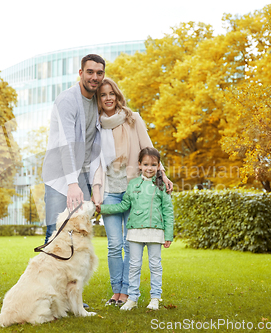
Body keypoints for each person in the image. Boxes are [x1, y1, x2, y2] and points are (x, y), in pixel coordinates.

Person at [95, 78, 173, 306]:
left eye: (111, 93)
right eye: (103, 95)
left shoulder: (133, 119)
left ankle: (128, 292)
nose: (108, 98)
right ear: (98, 100)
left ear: (118, 96)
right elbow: (95, 161)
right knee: (114, 245)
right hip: (110, 189)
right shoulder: (97, 125)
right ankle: (116, 291)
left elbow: (149, 149)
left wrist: (163, 174)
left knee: (131, 243)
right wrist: (96, 191)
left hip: (133, 190)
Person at [97, 147, 174, 311]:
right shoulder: (132, 185)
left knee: (155, 265)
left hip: (155, 232)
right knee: (134, 266)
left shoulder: (161, 186)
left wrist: (168, 235)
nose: (149, 168)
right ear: (139, 165)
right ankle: (132, 298)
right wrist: (103, 209)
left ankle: (155, 298)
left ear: (158, 166)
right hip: (135, 232)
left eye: (153, 164)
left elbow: (168, 211)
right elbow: (124, 205)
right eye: (146, 164)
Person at [42, 54, 105, 244]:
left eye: (99, 73)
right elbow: (67, 144)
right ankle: (47, 273)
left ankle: (71, 274)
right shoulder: (67, 100)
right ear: (81, 73)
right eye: (90, 72)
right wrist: (72, 184)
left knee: (79, 232)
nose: (94, 77)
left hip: (83, 175)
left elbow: (95, 147)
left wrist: (96, 186)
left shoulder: (97, 101)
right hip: (59, 176)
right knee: (56, 230)